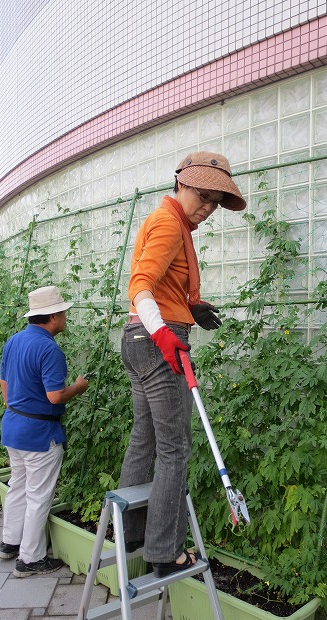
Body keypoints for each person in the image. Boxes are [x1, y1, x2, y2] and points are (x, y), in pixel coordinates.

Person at [119, 152, 246, 577]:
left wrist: (193, 305)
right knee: (175, 448)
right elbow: (141, 284)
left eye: (215, 201)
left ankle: (133, 532)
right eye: (204, 196)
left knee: (146, 437)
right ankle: (164, 552)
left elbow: (163, 282)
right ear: (183, 184)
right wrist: (164, 332)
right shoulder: (171, 223)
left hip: (140, 337)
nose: (208, 207)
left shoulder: (169, 221)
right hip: (158, 340)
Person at [0, 285, 89, 577]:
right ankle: (31, 559)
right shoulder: (49, 349)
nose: (65, 318)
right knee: (38, 496)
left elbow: (5, 388)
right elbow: (55, 396)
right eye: (63, 313)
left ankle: (9, 543)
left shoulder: (13, 341)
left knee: (18, 487)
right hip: (40, 434)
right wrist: (79, 386)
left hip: (13, 426)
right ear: (52, 317)